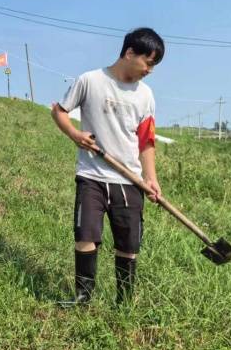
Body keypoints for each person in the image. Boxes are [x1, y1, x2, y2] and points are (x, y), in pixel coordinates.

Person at [51, 27, 164, 305]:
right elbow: (59, 111)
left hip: (129, 181)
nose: (150, 70)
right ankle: (83, 297)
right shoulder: (90, 80)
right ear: (129, 53)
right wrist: (76, 135)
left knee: (128, 245)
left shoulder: (145, 95)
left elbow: (146, 141)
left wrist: (151, 178)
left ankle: (123, 303)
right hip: (92, 175)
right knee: (85, 235)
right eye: (148, 62)